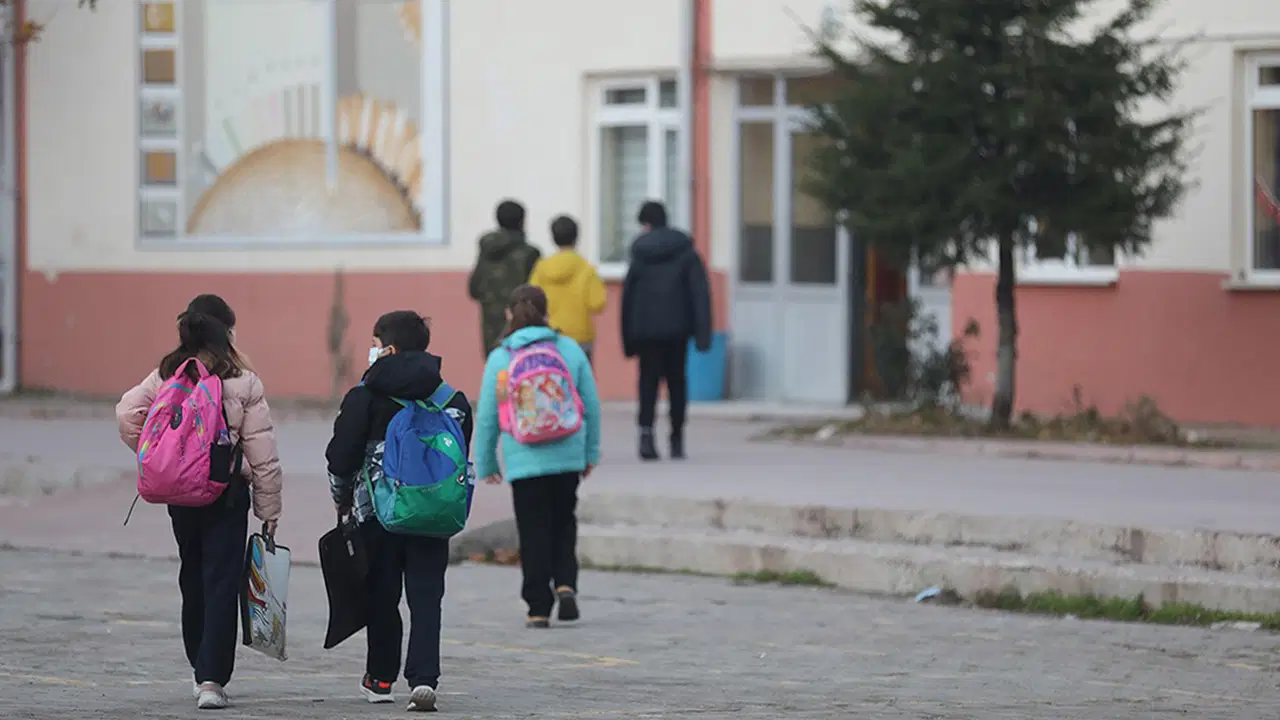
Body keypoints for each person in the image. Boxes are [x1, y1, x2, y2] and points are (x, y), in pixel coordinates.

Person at [114, 294, 283, 710]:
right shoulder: (242, 378)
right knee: (223, 582)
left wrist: (159, 455)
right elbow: (262, 453)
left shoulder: (168, 373)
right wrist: (269, 510)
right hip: (227, 493)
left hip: (182, 495)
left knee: (192, 577)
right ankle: (212, 679)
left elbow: (127, 412)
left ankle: (198, 667)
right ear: (227, 331)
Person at [325, 310, 473, 712]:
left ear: (387, 348)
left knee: (382, 593)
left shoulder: (365, 396)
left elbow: (341, 456)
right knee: (427, 596)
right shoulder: (453, 401)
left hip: (380, 513)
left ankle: (381, 677)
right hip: (434, 513)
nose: (371, 353)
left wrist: (340, 496)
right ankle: (424, 678)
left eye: (374, 345)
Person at [474, 285, 601, 628]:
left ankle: (538, 607)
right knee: (563, 522)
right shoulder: (569, 349)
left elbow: (490, 412)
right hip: (567, 454)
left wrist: (486, 461)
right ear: (547, 313)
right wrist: (590, 452)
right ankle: (565, 584)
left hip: (524, 458)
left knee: (532, 531)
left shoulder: (502, 358)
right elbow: (590, 405)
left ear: (508, 315)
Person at [620, 200, 712, 462]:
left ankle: (646, 435)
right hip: (678, 330)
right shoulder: (687, 253)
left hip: (646, 331)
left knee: (647, 382)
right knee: (677, 381)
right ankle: (676, 437)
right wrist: (703, 334)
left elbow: (628, 299)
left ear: (646, 224)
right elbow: (700, 294)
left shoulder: (639, 256)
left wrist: (627, 339)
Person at [528, 214, 607, 364]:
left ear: (553, 238)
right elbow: (598, 303)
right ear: (576, 237)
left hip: (549, 335)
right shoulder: (586, 268)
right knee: (579, 384)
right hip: (580, 336)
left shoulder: (541, 268)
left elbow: (531, 299)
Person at [468, 199, 542, 357]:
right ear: (522, 222)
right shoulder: (530, 254)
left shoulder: (486, 250)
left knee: (496, 374)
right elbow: (537, 294)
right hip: (522, 328)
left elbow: (474, 289)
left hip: (490, 328)